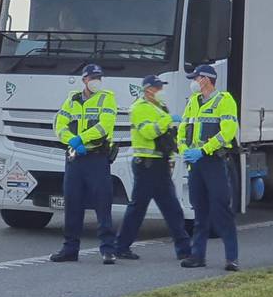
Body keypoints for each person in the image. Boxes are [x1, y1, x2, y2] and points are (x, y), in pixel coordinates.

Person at [114, 75, 192, 262]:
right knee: (138, 208)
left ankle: (185, 250)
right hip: (146, 165)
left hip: (160, 164)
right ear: (149, 90)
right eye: (158, 88)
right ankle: (121, 247)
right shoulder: (139, 108)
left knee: (172, 208)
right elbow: (148, 132)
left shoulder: (158, 107)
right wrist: (167, 120)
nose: (161, 91)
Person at [50, 63, 118, 264]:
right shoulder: (72, 99)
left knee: (102, 203)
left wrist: (82, 139)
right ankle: (70, 249)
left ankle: (108, 249)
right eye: (92, 78)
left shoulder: (107, 98)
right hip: (75, 158)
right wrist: (70, 139)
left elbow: (104, 126)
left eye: (99, 77)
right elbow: (59, 125)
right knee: (73, 203)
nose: (96, 81)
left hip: (97, 157)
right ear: (84, 80)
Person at [178, 65, 241, 270]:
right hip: (196, 165)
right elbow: (183, 129)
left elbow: (228, 132)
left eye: (196, 77)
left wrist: (204, 150)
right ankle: (198, 255)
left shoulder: (224, 100)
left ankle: (231, 258)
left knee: (221, 209)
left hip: (213, 161)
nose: (194, 81)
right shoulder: (193, 103)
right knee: (200, 211)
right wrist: (184, 149)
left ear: (206, 79)